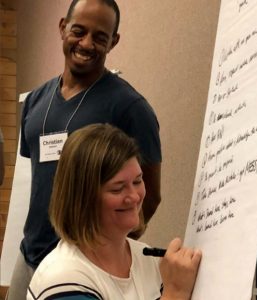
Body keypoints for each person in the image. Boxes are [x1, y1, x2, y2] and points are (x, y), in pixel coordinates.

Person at [7, 0, 161, 299]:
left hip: (86, 267)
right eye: (79, 31)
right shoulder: (36, 102)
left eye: (100, 37)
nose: (87, 43)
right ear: (62, 28)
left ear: (113, 42)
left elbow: (150, 195)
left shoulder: (130, 108)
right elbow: (39, 182)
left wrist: (107, 251)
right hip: (30, 256)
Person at [27, 124, 201, 300]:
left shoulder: (148, 259)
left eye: (137, 181)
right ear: (82, 199)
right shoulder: (63, 279)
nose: (134, 197)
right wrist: (176, 292)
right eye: (117, 189)